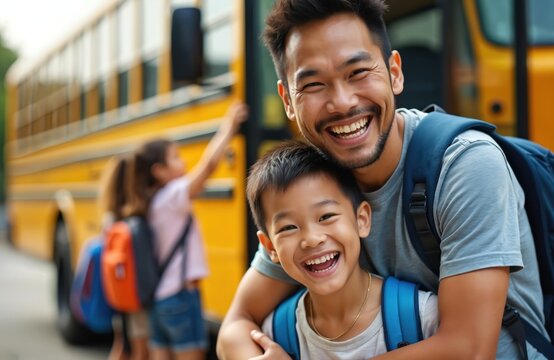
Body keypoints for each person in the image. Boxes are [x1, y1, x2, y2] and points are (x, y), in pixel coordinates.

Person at [216, 1, 549, 359]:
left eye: (358, 72)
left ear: (394, 72)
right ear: (288, 101)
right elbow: (235, 325)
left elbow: (469, 350)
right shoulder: (316, 182)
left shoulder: (464, 165)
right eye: (313, 85)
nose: (342, 103)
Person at [247, 140, 439, 357]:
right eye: (289, 227)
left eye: (326, 216)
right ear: (270, 247)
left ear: (362, 220)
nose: (311, 239)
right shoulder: (277, 333)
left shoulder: (423, 317)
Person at [125, 101, 248, 360]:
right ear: (159, 172)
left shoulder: (151, 202)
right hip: (181, 297)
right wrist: (229, 127)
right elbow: (209, 167)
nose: (182, 163)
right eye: (176, 158)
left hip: (159, 299)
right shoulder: (172, 196)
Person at [98, 156, 150, 360]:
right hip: (136, 295)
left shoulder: (110, 217)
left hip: (119, 291)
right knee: (140, 350)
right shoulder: (136, 219)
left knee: (121, 345)